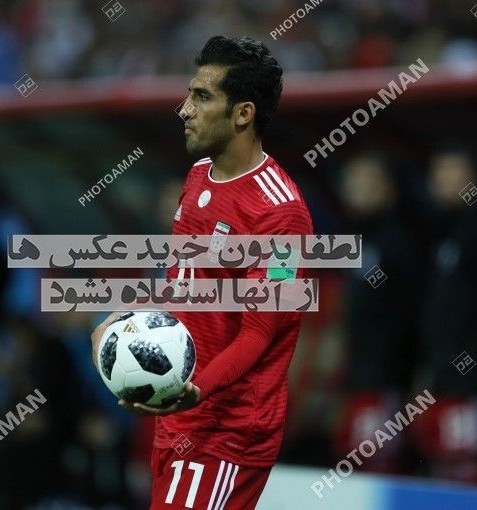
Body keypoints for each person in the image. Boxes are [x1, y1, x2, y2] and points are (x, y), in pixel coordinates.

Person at [92, 36, 314, 509]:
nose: (184, 110)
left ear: (243, 114)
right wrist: (118, 320)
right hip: (179, 414)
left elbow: (258, 335)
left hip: (227, 431)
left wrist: (196, 391)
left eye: (201, 97)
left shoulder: (282, 215)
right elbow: (182, 284)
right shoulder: (197, 178)